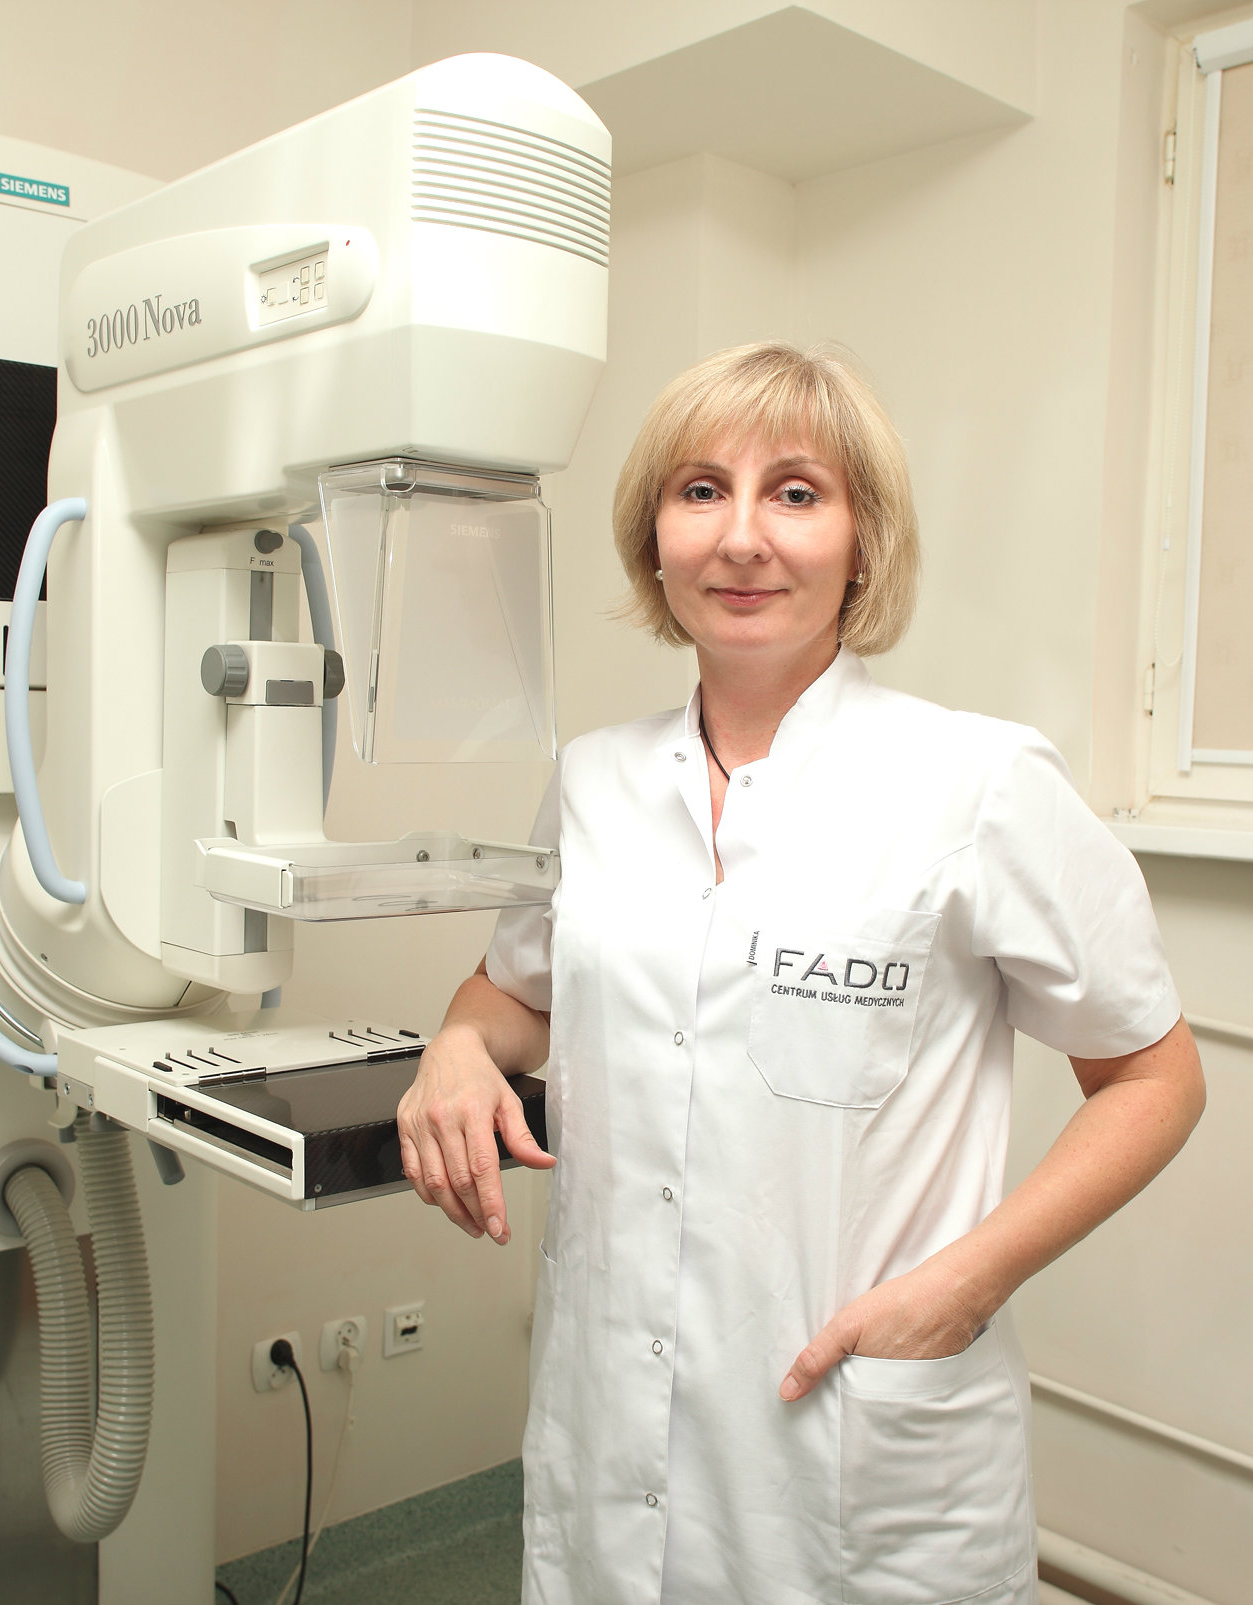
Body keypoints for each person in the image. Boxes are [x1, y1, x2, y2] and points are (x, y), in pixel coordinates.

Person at [394, 342, 1205, 1605]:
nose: (742, 538)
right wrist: (456, 1046)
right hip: (613, 1415)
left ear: (861, 540)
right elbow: (515, 992)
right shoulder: (594, 780)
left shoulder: (977, 783)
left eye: (796, 492)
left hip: (856, 1437)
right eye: (700, 491)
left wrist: (962, 1287)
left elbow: (1155, 1077)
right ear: (654, 541)